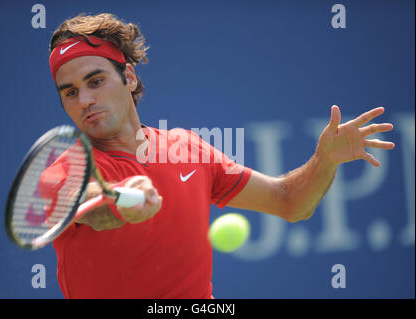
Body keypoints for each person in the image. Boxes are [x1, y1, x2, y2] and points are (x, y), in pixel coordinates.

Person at [44, 13, 395, 299]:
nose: (84, 100)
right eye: (70, 92)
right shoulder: (65, 171)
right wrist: (122, 200)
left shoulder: (187, 147)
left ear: (129, 78)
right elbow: (94, 207)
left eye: (95, 81)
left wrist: (325, 160)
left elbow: (290, 202)